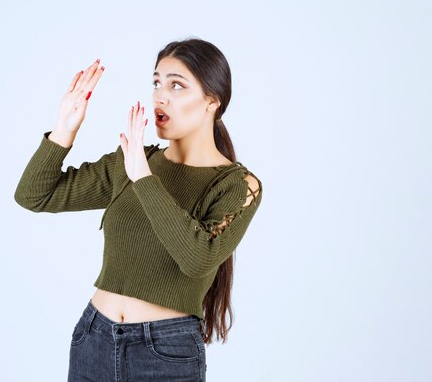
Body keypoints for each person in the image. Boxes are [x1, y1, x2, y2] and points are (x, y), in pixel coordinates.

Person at [14, 37, 263, 381]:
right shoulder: (134, 160)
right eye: (157, 82)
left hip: (166, 354)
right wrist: (64, 130)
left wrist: (145, 180)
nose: (160, 94)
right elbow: (34, 195)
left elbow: (197, 259)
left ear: (211, 101)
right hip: (94, 339)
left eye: (177, 85)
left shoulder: (238, 186)